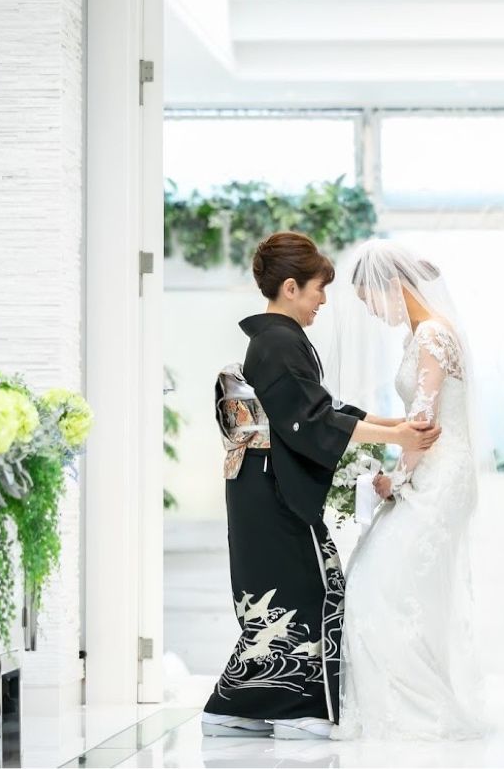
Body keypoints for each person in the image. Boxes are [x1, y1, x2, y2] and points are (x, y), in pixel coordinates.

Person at [202, 232, 442, 741]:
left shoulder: (277, 340)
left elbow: (322, 409)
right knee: (306, 588)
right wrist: (397, 435)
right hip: (270, 483)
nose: (323, 301)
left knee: (287, 588)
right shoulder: (278, 342)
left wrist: (391, 425)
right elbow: (311, 421)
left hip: (261, 480)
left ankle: (237, 703)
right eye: (318, 289)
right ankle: (295, 708)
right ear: (290, 288)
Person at [326, 239, 486, 741]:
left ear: (393, 285)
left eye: (371, 300)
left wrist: (393, 479)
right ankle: (400, 703)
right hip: (429, 471)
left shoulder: (433, 334)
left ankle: (419, 710)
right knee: (393, 584)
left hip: (440, 477)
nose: (373, 312)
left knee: (383, 582)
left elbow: (424, 422)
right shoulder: (418, 335)